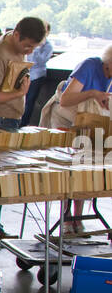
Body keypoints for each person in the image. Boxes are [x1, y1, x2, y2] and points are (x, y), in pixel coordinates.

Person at [0, 16, 48, 242]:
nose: (28, 50)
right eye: (27, 46)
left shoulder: (15, 47)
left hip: (8, 117)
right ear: (16, 34)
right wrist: (19, 94)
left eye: (33, 48)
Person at [44, 44, 112, 233]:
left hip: (89, 122)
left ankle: (78, 216)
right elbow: (66, 100)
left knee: (86, 164)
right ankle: (66, 217)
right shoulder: (90, 65)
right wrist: (92, 93)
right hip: (66, 117)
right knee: (68, 167)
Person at [21, 23, 52, 127]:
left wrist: (36, 49)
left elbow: (42, 61)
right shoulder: (29, 42)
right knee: (21, 98)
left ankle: (24, 123)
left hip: (37, 75)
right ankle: (17, 121)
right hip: (25, 73)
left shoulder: (47, 46)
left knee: (30, 100)